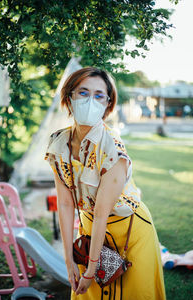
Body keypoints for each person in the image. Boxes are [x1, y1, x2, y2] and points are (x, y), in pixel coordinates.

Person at [45, 67, 166, 300]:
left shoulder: (112, 146)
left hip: (130, 231)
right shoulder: (58, 143)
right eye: (83, 92)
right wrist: (68, 259)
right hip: (91, 230)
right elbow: (66, 205)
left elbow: (102, 212)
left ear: (107, 104)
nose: (91, 100)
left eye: (99, 95)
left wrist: (91, 268)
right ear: (69, 97)